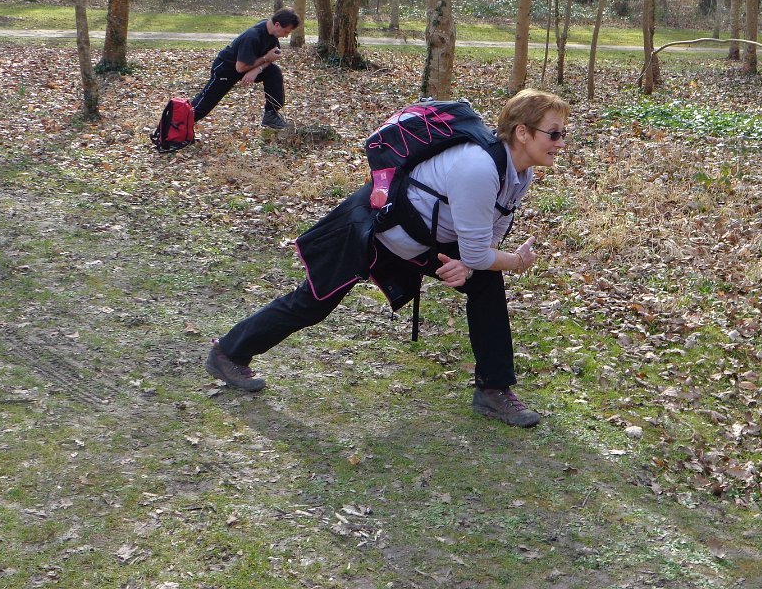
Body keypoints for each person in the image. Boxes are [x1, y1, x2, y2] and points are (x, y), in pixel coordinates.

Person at [205, 89, 570, 428]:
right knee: (313, 302)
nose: (560, 142)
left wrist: (471, 264)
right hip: (372, 227)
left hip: (421, 240)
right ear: (522, 133)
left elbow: (490, 232)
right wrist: (511, 261)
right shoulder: (479, 168)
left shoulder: (520, 172)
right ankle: (228, 353)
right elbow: (479, 250)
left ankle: (493, 390)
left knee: (485, 283)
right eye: (553, 134)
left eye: (563, 134)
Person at [190, 7, 301, 129]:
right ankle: (179, 121)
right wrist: (265, 58)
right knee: (204, 105)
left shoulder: (272, 34)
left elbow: (272, 57)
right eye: (286, 32)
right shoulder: (252, 36)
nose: (286, 36)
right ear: (277, 24)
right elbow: (240, 67)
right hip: (226, 69)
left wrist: (257, 70)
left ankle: (271, 115)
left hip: (248, 66)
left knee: (273, 72)